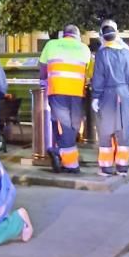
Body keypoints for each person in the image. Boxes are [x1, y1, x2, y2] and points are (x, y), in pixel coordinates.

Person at [39, 25, 92, 174]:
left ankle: (60, 153)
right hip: (76, 92)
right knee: (73, 127)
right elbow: (89, 71)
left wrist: (43, 81)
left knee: (62, 126)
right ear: (77, 35)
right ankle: (70, 163)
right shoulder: (84, 48)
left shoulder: (51, 45)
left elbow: (42, 68)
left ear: (64, 34)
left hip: (57, 90)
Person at [91, 20, 129, 176]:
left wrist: (95, 97)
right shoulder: (126, 52)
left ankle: (106, 167)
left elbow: (98, 77)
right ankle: (122, 167)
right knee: (123, 130)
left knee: (105, 130)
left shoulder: (102, 53)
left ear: (103, 37)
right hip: (125, 94)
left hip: (108, 94)